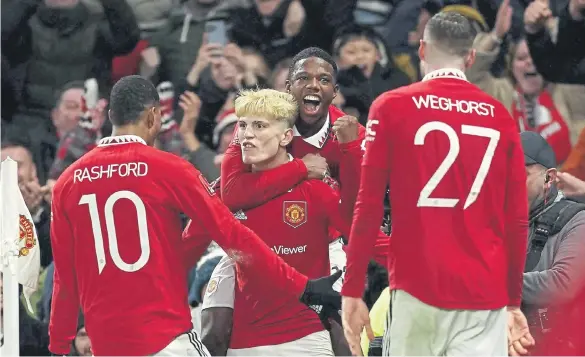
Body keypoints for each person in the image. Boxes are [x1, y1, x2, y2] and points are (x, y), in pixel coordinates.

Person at [48, 75, 342, 356]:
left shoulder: (67, 182)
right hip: (166, 340)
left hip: (107, 345)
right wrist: (302, 287)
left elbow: (64, 278)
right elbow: (233, 237)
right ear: (154, 116)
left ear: (111, 115)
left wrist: (59, 347)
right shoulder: (169, 169)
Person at [340, 12, 534, 356]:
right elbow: (516, 221)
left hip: (417, 287)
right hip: (483, 295)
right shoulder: (499, 116)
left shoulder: (391, 106)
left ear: (422, 50)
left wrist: (353, 290)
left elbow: (368, 206)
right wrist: (513, 301)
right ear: (471, 57)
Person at [196, 88, 353, 356]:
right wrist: (301, 168)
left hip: (322, 257)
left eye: (258, 126)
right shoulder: (238, 153)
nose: (247, 133)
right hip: (247, 325)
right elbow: (233, 195)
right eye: (242, 126)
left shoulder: (334, 132)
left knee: (339, 318)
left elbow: (359, 227)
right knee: (214, 330)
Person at [514, 131, 585, 356]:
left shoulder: (577, 220)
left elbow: (562, 284)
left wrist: (493, 284)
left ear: (549, 178)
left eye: (520, 174)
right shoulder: (493, 220)